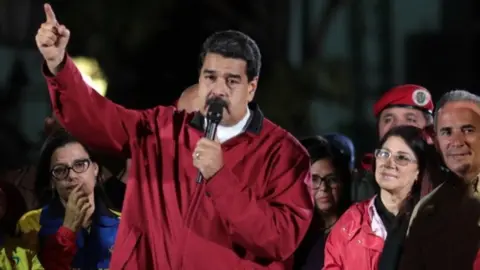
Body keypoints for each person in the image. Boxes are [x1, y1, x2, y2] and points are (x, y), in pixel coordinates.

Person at [35, 4, 313, 269]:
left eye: (232, 81)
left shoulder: (286, 154)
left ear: (251, 88)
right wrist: (59, 65)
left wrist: (220, 178)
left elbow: (278, 239)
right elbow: (97, 118)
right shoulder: (161, 129)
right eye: (210, 77)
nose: (218, 90)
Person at [323, 126, 440, 270]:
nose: (389, 164)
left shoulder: (435, 222)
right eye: (384, 154)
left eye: (401, 158)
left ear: (419, 172)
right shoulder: (351, 223)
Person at [399, 90, 480, 270]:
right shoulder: (427, 208)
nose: (457, 142)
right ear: (435, 141)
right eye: (446, 132)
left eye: (468, 129)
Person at [18, 130, 120, 269]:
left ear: (95, 169)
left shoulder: (122, 224)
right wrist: (68, 229)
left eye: (80, 164)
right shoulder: (31, 224)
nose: (71, 175)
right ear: (52, 181)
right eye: (60, 170)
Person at [352, 84, 435, 203]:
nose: (397, 126)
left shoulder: (447, 180)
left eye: (410, 119)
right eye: (388, 119)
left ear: (430, 132)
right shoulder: (359, 184)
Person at [294, 136, 352, 270]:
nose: (324, 188)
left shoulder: (357, 226)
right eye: (314, 179)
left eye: (331, 179)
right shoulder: (295, 235)